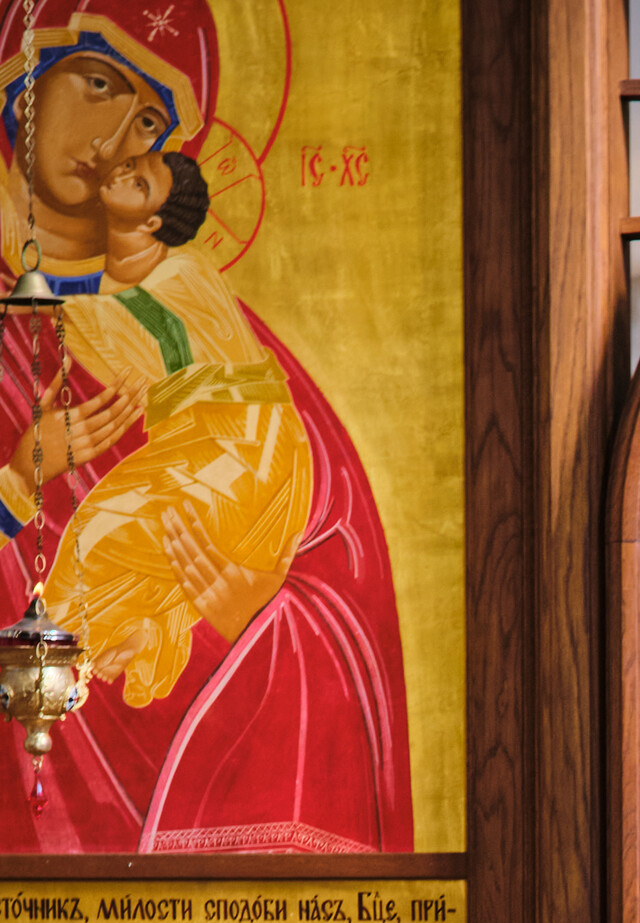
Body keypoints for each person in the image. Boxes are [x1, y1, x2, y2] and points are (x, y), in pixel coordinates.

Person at [0, 0, 413, 853]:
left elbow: (341, 576)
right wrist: (18, 479)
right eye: (99, 82)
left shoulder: (209, 319)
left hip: (208, 753)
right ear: (20, 83)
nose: (116, 136)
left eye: (149, 122)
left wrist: (257, 608)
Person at [42, 150, 314, 711]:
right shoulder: (116, 282)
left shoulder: (182, 272)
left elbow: (99, 312)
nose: (122, 173)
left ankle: (51, 673)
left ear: (151, 222)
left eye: (139, 183)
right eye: (130, 165)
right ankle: (146, 631)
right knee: (118, 549)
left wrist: (32, 288)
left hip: (248, 449)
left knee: (94, 536)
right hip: (199, 447)